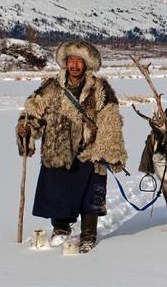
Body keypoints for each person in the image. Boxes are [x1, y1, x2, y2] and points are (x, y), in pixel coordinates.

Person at [15, 40, 127, 254]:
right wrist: (26, 128)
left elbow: (111, 119)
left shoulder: (100, 89)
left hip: (90, 150)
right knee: (58, 191)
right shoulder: (51, 88)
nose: (74, 65)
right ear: (65, 63)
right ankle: (61, 229)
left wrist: (110, 149)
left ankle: (88, 234)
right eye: (71, 61)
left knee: (90, 195)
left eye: (79, 61)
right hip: (58, 149)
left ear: (86, 64)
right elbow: (33, 113)